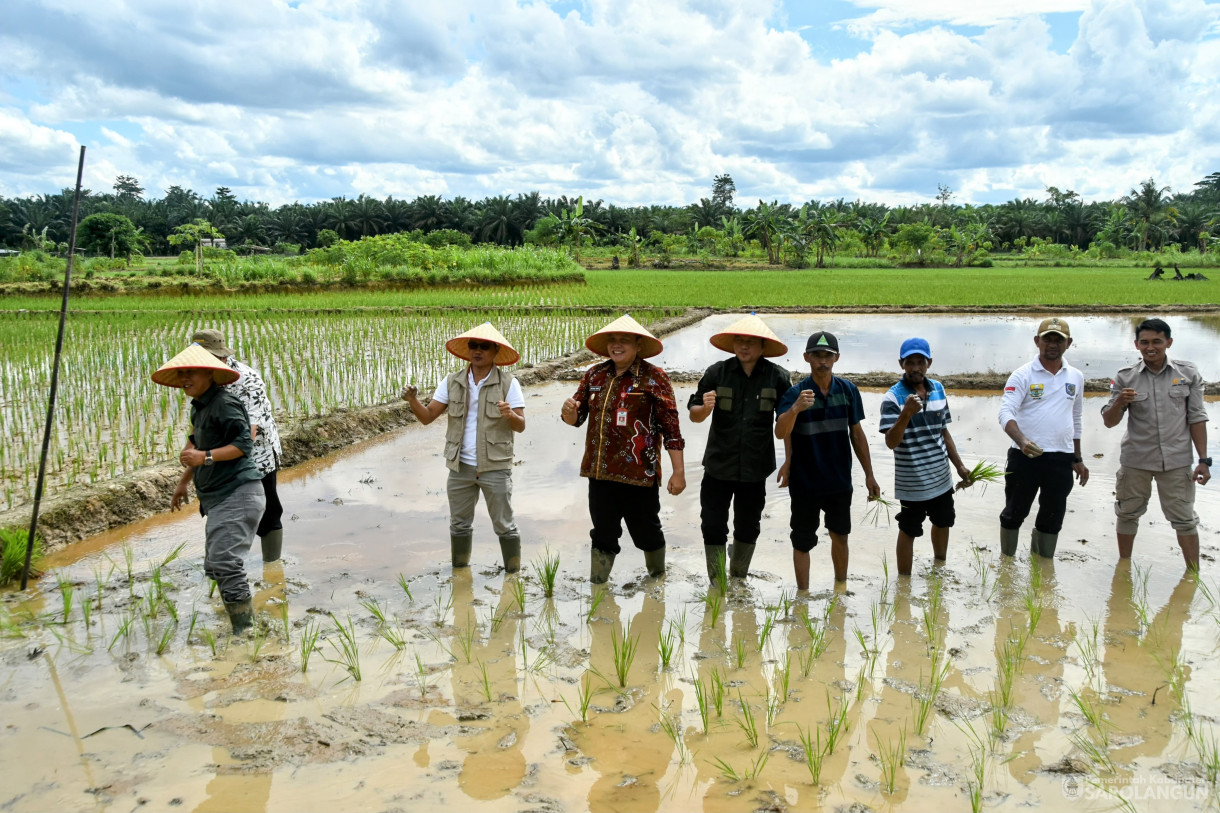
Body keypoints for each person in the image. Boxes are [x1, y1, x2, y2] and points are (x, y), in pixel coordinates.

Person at [561, 314, 685, 584]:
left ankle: (657, 580)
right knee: (603, 532)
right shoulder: (595, 374)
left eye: (624, 341)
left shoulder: (654, 378)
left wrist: (678, 472)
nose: (617, 345)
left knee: (647, 532)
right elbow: (576, 418)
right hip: (600, 471)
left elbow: (671, 428)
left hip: (639, 473)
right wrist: (568, 412)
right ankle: (598, 587)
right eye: (613, 341)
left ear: (638, 345)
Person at [156, 344, 266, 634]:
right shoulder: (201, 406)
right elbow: (196, 444)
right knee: (215, 565)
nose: (184, 377)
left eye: (190, 371)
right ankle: (235, 618)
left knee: (225, 562)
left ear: (209, 373)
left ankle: (247, 632)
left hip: (238, 493)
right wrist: (183, 482)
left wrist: (204, 457)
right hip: (218, 497)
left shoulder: (224, 403)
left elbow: (244, 444)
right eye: (181, 373)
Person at [402, 323, 526, 572]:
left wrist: (509, 414)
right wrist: (413, 400)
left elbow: (521, 426)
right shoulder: (452, 382)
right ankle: (460, 575)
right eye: (474, 346)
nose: (477, 351)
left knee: (504, 524)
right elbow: (427, 417)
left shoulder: (509, 384)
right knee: (459, 524)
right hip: (460, 467)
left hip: (494, 467)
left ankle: (513, 577)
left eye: (484, 346)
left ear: (495, 351)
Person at [688, 314, 792, 584]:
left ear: (762, 346)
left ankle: (738, 576)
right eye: (739, 341)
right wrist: (706, 407)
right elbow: (694, 415)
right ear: (733, 344)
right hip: (718, 465)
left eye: (750, 342)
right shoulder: (716, 373)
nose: (744, 347)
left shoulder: (777, 377)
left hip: (755, 468)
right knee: (712, 524)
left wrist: (789, 461)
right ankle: (716, 581)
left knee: (748, 526)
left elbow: (787, 423)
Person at [1100, 318, 1211, 571]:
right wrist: (1120, 402)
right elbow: (1109, 422)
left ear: (1168, 342)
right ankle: (1124, 568)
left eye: (1157, 342)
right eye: (1145, 342)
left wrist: (1203, 460)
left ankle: (1193, 575)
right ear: (1137, 345)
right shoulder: (1125, 376)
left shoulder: (1188, 373)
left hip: (1176, 461)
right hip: (1136, 460)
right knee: (1127, 514)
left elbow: (1197, 416)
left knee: (1184, 519)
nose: (1151, 347)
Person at [775, 331, 880, 589]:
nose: (822, 361)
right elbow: (781, 432)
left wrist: (869, 474)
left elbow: (856, 433)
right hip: (805, 482)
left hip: (839, 480)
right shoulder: (795, 394)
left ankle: (840, 588)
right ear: (807, 357)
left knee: (840, 535)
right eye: (817, 355)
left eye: (828, 355)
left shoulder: (847, 391)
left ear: (836, 358)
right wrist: (796, 409)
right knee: (802, 541)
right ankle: (803, 595)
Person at [878, 337, 972, 576]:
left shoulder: (938, 389)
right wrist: (906, 414)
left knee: (943, 522)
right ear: (901, 364)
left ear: (929, 363)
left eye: (921, 362)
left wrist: (959, 466)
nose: (916, 367)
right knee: (908, 529)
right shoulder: (893, 398)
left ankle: (939, 567)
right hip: (912, 482)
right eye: (910, 362)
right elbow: (891, 442)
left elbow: (944, 432)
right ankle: (903, 584)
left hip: (941, 477)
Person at [997, 316, 1089, 559]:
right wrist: (1022, 440)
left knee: (1052, 517)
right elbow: (1005, 412)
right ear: (1037, 341)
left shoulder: (1076, 377)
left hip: (1061, 460)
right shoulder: (1022, 375)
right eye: (1047, 338)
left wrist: (1077, 457)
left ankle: (1042, 570)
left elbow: (1076, 418)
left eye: (1058, 340)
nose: (1052, 344)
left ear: (1068, 343)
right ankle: (1007, 565)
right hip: (1024, 457)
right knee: (1014, 513)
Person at [191, 329, 285, 563]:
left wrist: (212, 456)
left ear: (222, 357)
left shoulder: (246, 379)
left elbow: (249, 433)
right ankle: (219, 564)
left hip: (256, 455)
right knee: (217, 508)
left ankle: (272, 568)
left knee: (268, 511)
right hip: (216, 453)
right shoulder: (198, 376)